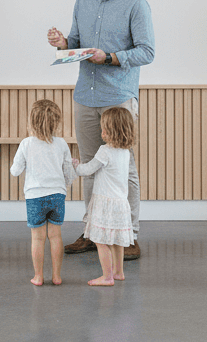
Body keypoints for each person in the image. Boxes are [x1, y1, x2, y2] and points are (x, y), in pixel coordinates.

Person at [47, 0, 153, 261]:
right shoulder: (82, 3)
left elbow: (146, 51)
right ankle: (93, 232)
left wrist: (109, 57)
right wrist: (63, 43)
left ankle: (129, 235)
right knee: (91, 166)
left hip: (118, 99)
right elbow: (76, 45)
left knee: (123, 169)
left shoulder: (136, 5)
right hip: (85, 97)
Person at [10, 99, 77, 286]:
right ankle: (57, 276)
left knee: (38, 238)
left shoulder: (26, 144)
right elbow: (69, 175)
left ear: (31, 122)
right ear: (57, 122)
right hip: (57, 195)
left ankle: (38, 276)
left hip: (34, 197)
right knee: (55, 236)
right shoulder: (62, 144)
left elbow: (15, 171)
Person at [71, 107, 137, 286]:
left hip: (105, 204)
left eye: (104, 129)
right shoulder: (125, 152)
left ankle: (107, 277)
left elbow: (88, 170)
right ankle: (118, 272)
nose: (102, 132)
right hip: (121, 204)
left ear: (110, 131)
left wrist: (76, 166)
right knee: (117, 242)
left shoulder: (104, 151)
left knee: (100, 242)